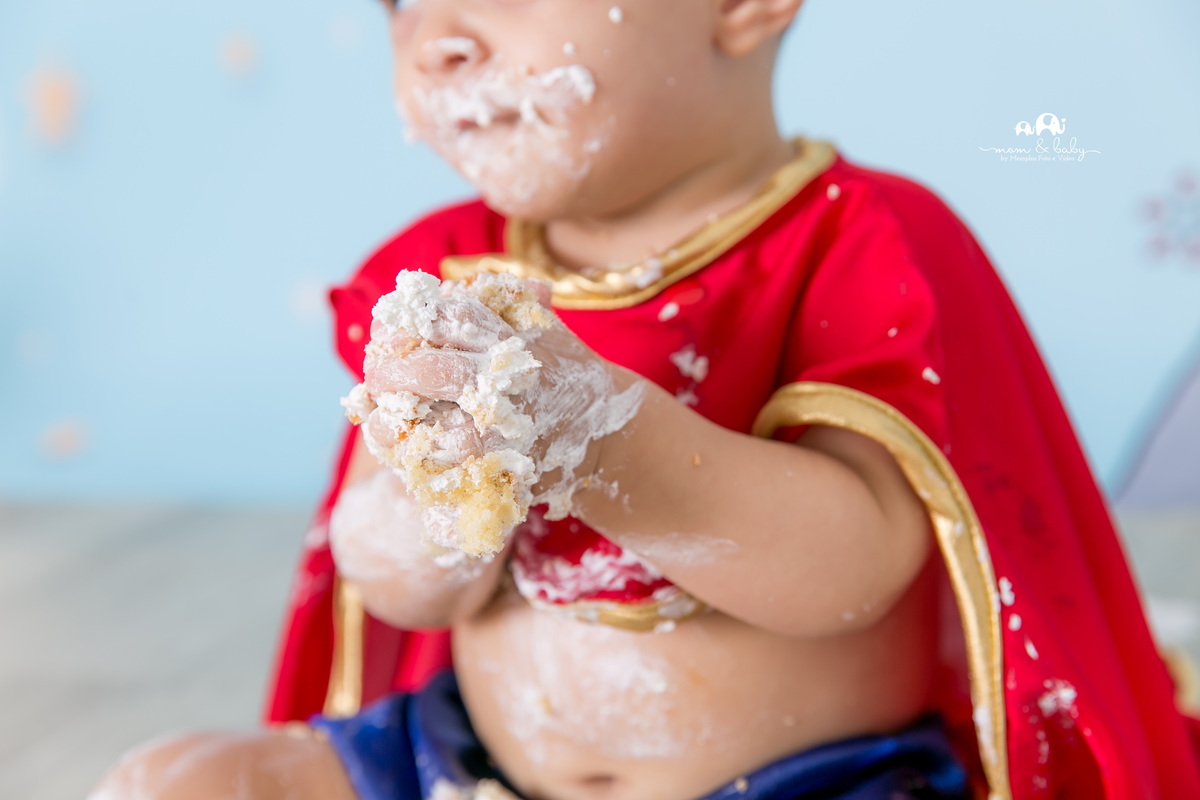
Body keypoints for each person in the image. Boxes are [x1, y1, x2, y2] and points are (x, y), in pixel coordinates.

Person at [90, 0, 1200, 798]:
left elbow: (854, 568)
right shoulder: (440, 274)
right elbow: (398, 589)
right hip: (467, 759)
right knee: (181, 780)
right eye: (399, 1)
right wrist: (430, 510)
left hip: (810, 777)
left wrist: (598, 439)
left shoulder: (854, 244)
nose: (437, 38)